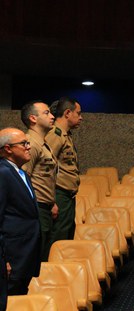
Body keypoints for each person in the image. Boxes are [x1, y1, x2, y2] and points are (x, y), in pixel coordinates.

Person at [0, 128, 41, 297]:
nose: (28, 147)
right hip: (12, 254)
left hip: (25, 252)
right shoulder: (2, 173)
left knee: (21, 297)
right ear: (8, 149)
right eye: (24, 143)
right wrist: (3, 260)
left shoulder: (20, 171)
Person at [21, 101, 58, 262]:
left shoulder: (42, 143)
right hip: (36, 208)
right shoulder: (31, 143)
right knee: (36, 258)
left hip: (44, 208)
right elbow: (23, 178)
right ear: (33, 118)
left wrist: (52, 203)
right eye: (46, 113)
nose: (52, 116)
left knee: (43, 256)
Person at [46, 97, 82, 243]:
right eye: (78, 113)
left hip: (68, 194)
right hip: (59, 193)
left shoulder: (65, 136)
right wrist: (51, 201)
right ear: (67, 113)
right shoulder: (55, 135)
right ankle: (53, 266)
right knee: (58, 236)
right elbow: (46, 168)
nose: (81, 117)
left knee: (67, 234)